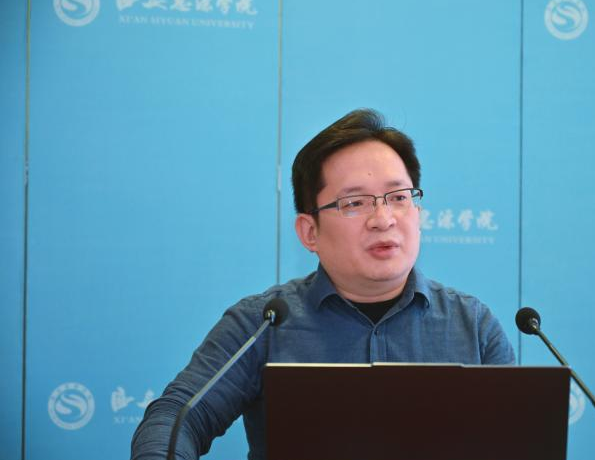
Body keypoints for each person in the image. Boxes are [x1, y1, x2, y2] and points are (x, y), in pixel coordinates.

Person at [131, 108, 515, 460]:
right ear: (309, 231)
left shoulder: (472, 326)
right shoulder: (262, 324)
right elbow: (178, 417)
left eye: (398, 197)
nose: (383, 219)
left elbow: (515, 441)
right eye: (355, 203)